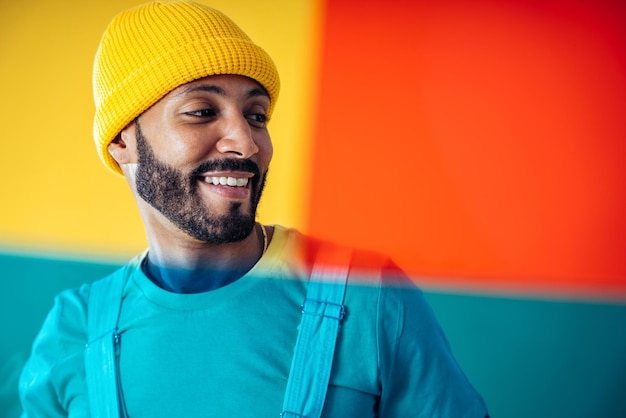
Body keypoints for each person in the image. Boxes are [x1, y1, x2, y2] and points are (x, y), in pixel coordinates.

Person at [19, 1, 489, 417]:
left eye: (257, 115)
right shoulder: (73, 329)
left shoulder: (366, 294)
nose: (246, 142)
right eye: (202, 111)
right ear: (123, 140)